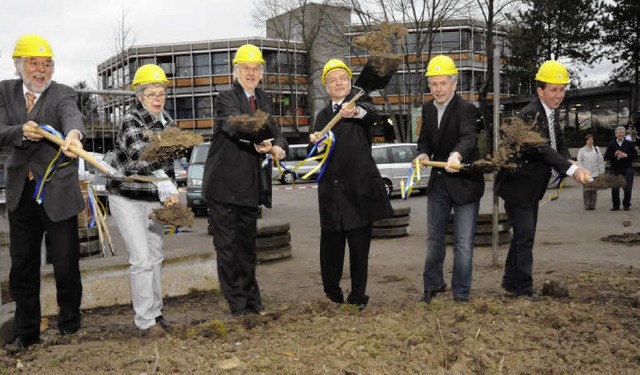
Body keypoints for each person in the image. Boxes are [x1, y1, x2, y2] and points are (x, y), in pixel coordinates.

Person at [0, 34, 85, 353]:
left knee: (66, 263)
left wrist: (74, 135)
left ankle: (70, 323)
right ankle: (26, 332)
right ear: (19, 64)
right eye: (34, 63)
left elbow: (71, 115)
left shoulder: (63, 93)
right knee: (22, 266)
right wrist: (20, 131)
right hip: (22, 193)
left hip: (58, 191)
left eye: (47, 63)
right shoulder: (4, 92)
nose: (41, 70)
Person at [202, 44, 287, 316]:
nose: (251, 73)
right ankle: (237, 305)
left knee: (248, 248)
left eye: (256, 69)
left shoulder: (265, 99)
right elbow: (234, 127)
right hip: (224, 185)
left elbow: (276, 130)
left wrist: (280, 146)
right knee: (228, 248)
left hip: (250, 185)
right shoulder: (225, 97)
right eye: (246, 69)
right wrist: (261, 143)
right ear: (236, 72)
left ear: (261, 73)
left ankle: (253, 301)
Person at [495, 60, 591, 297]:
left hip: (530, 189)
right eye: (554, 90)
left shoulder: (551, 113)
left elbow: (559, 145)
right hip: (517, 188)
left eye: (562, 89)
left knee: (522, 237)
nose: (559, 95)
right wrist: (570, 170)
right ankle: (524, 289)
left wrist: (571, 160)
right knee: (525, 237)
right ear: (540, 91)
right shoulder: (530, 115)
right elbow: (542, 150)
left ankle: (511, 283)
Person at [308, 59, 392, 309]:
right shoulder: (322, 115)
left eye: (342, 78)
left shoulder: (361, 104)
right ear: (326, 86)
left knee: (358, 249)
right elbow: (315, 156)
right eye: (332, 80)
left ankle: (358, 297)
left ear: (349, 82)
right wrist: (317, 144)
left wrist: (353, 111)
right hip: (331, 193)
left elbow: (371, 116)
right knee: (330, 249)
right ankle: (332, 295)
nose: (338, 83)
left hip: (358, 191)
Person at [106, 64, 178, 335]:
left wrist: (171, 190)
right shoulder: (131, 120)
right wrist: (166, 176)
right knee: (141, 259)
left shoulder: (167, 121)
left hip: (153, 199)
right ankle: (144, 321)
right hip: (127, 198)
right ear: (139, 96)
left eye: (161, 93)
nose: (158, 98)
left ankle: (156, 313)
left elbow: (172, 160)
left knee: (156, 257)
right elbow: (144, 155)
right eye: (151, 94)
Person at [416, 55, 485, 303]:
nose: (438, 89)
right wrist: (422, 153)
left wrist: (456, 155)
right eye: (433, 84)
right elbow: (424, 138)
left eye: (443, 83)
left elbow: (469, 138)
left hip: (465, 184)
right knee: (434, 239)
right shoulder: (427, 108)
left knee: (463, 243)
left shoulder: (467, 109)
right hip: (439, 184)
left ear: (454, 84)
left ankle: (461, 293)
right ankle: (432, 286)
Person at [604, 126, 636, 211]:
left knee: (627, 189)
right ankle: (616, 206)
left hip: (627, 169)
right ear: (616, 134)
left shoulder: (629, 143)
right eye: (619, 133)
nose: (620, 134)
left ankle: (626, 204)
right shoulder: (611, 144)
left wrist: (626, 155)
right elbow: (606, 157)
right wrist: (614, 154)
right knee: (615, 189)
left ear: (625, 134)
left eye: (622, 132)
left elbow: (635, 155)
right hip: (615, 169)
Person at [577, 134, 605, 210]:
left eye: (591, 139)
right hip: (586, 174)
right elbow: (579, 162)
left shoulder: (597, 149)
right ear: (586, 141)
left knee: (593, 190)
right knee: (586, 191)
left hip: (595, 173)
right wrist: (583, 172)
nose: (590, 141)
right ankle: (587, 205)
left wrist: (601, 172)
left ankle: (592, 205)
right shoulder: (581, 151)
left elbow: (601, 161)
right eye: (589, 140)